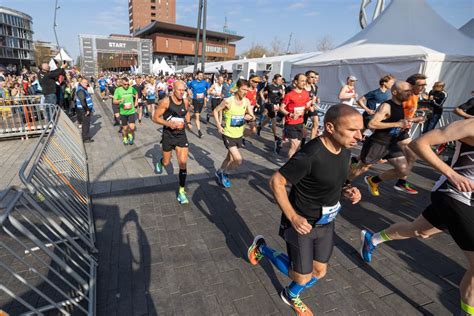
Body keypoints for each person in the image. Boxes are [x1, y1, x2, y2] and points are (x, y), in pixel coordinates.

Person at [248, 104, 363, 316]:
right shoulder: (311, 155)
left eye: (361, 130)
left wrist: (348, 191)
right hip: (301, 224)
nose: (360, 136)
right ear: (330, 127)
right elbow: (276, 182)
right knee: (301, 276)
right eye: (353, 130)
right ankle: (262, 248)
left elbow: (335, 181)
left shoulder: (345, 150)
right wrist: (293, 216)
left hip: (326, 223)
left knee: (319, 272)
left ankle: (289, 295)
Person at [360, 118, 474, 316]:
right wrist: (452, 174)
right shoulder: (471, 125)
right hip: (454, 194)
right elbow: (419, 143)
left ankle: (373, 239)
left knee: (420, 231)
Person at [350, 81, 424, 195]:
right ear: (394, 92)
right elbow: (372, 124)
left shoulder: (400, 105)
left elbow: (397, 121)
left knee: (403, 170)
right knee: (362, 168)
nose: (409, 93)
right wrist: (397, 124)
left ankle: (373, 180)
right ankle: (343, 184)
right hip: (378, 143)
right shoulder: (386, 106)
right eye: (406, 91)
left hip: (392, 144)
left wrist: (412, 120)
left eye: (410, 90)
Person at [153, 80, 192, 204]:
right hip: (168, 135)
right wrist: (168, 123)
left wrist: (188, 122)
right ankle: (160, 163)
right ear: (173, 90)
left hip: (181, 135)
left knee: (182, 163)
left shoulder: (185, 101)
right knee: (167, 161)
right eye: (179, 90)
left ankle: (181, 191)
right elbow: (155, 118)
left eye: (183, 90)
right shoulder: (166, 101)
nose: (182, 92)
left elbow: (186, 113)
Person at [213, 79, 255, 188]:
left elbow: (252, 116)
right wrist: (218, 125)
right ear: (237, 89)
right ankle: (225, 174)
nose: (245, 92)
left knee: (229, 158)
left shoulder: (246, 101)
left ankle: (219, 171)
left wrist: (249, 117)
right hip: (228, 134)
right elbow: (216, 111)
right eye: (243, 90)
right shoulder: (228, 101)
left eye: (247, 90)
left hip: (239, 134)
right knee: (238, 159)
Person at [279, 73, 312, 158]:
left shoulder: (306, 93)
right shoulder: (289, 95)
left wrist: (310, 108)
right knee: (294, 146)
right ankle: (291, 167)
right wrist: (290, 114)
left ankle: (282, 142)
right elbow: (281, 108)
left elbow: (307, 106)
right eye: (302, 81)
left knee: (297, 146)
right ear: (295, 82)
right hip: (290, 123)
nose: (304, 83)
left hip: (300, 122)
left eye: (305, 81)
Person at [258, 74, 285, 152]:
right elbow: (260, 92)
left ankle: (260, 127)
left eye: (281, 79)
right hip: (270, 105)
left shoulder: (281, 87)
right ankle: (276, 137)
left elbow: (282, 97)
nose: (280, 81)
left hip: (277, 105)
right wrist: (263, 99)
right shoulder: (269, 86)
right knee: (273, 119)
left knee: (268, 119)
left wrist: (282, 94)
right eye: (279, 79)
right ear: (275, 80)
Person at [113, 77, 138, 145]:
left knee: (132, 127)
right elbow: (114, 101)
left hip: (131, 111)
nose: (126, 86)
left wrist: (136, 101)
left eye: (128, 84)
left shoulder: (131, 88)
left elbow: (136, 93)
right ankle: (125, 138)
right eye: (125, 84)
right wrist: (120, 100)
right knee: (125, 128)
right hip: (123, 112)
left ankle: (130, 135)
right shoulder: (118, 90)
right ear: (121, 83)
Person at [187, 71, 209, 138]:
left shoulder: (205, 82)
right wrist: (190, 94)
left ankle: (189, 118)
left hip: (201, 101)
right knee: (197, 116)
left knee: (198, 114)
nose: (201, 76)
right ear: (197, 75)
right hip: (195, 100)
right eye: (199, 75)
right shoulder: (193, 82)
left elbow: (208, 89)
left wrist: (207, 96)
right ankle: (199, 131)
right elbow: (188, 87)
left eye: (202, 75)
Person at [75, 78, 94, 143]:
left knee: (86, 123)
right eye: (84, 83)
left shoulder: (83, 89)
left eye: (87, 82)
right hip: (84, 110)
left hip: (85, 109)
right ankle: (85, 138)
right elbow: (82, 101)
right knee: (86, 124)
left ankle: (86, 136)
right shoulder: (80, 90)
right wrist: (87, 110)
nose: (86, 84)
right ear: (81, 83)